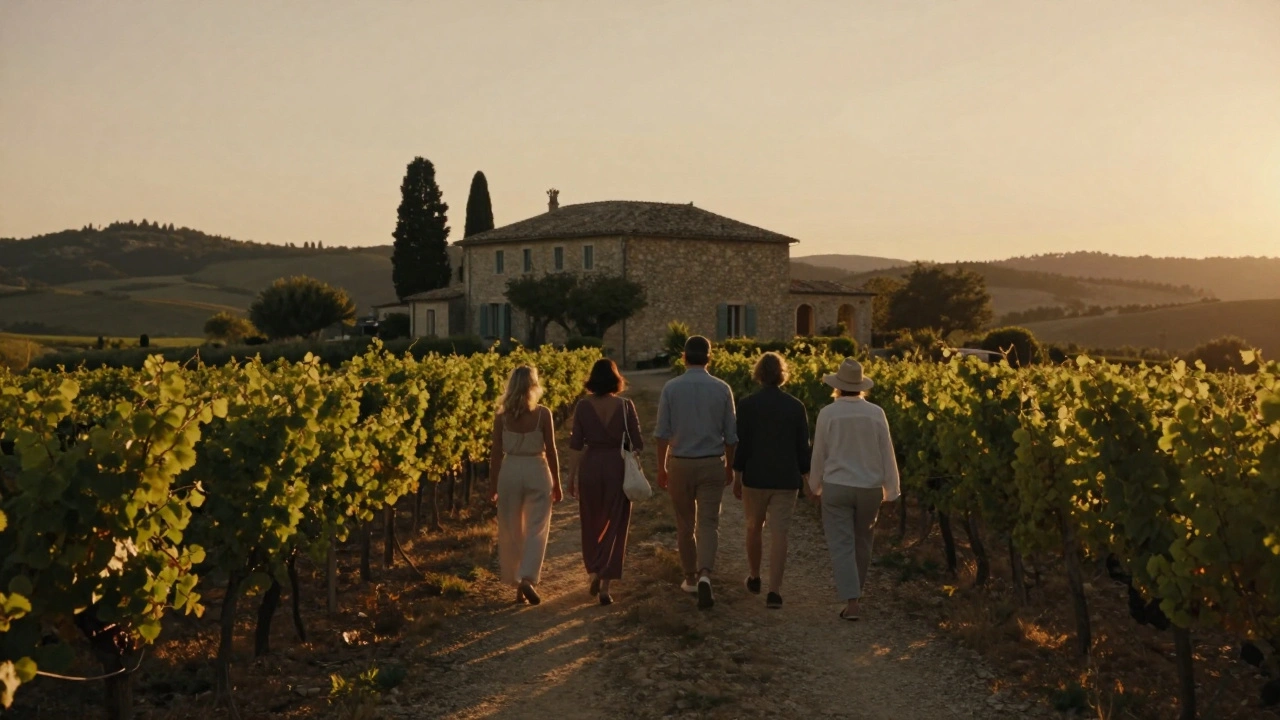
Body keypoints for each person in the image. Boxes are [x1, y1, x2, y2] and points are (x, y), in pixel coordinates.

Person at [809, 358, 900, 621]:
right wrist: (891, 490)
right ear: (862, 387)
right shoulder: (876, 413)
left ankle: (852, 601)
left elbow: (820, 453)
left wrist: (814, 486)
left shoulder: (828, 413)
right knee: (863, 541)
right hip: (870, 488)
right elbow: (887, 453)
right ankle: (855, 596)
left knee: (842, 545)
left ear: (837, 387)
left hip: (837, 487)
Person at [655, 335, 738, 610]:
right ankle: (705, 574)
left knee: (684, 523)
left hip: (680, 461)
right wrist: (729, 466)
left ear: (684, 358)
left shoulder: (671, 388)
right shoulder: (722, 388)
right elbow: (731, 435)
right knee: (708, 523)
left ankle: (689, 577)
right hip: (712, 462)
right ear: (709, 358)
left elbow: (662, 434)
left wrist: (661, 466)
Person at [732, 352, 810, 609]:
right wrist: (807, 479)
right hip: (786, 479)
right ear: (782, 374)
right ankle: (774, 592)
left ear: (759, 374)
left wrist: (737, 474)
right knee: (780, 535)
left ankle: (755, 576)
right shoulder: (797, 406)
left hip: (755, 477)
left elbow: (741, 446)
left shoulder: (746, 405)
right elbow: (802, 448)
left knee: (754, 527)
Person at [566, 358, 644, 606]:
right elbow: (637, 443)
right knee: (616, 523)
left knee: (590, 521)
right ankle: (605, 587)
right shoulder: (625, 405)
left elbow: (576, 444)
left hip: (590, 466)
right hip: (616, 466)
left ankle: (593, 570)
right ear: (616, 380)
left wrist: (570, 477)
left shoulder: (582, 406)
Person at [490, 365, 563, 606]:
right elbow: (551, 450)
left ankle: (517, 581)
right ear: (534, 386)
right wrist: (557, 482)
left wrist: (493, 485)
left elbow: (496, 453)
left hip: (510, 471)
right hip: (537, 470)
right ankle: (527, 578)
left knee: (512, 528)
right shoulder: (543, 414)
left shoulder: (501, 416)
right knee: (536, 527)